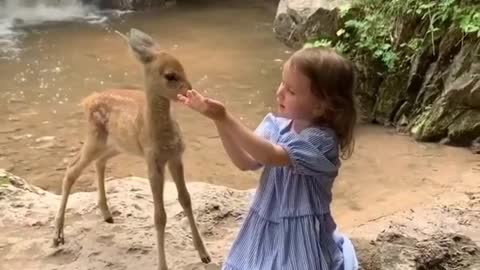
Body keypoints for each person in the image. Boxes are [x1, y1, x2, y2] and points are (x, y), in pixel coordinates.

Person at [177, 46, 359, 270]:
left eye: (291, 91)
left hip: (300, 235)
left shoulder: (321, 141)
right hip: (267, 222)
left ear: (321, 106)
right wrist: (219, 122)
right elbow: (245, 162)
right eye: (282, 83)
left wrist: (227, 117)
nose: (279, 92)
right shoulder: (277, 126)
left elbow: (271, 155)